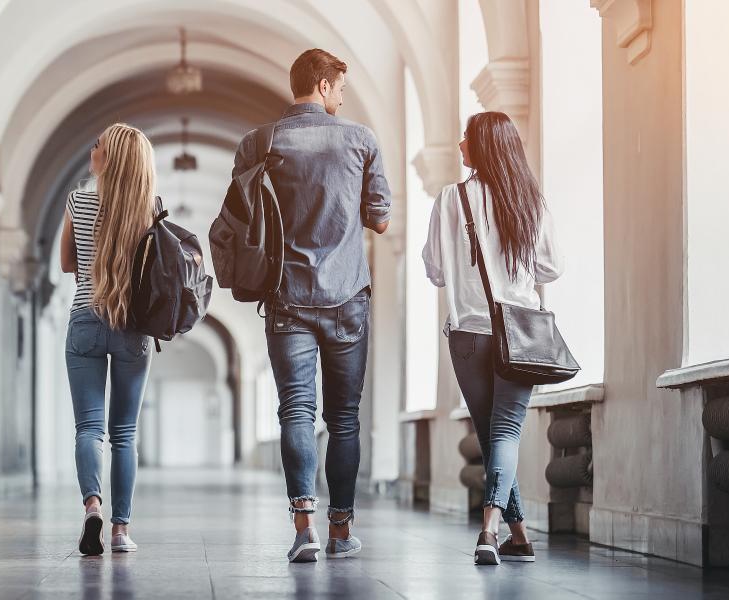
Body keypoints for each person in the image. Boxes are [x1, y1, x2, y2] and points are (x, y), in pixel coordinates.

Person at [232, 49, 391, 563]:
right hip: (347, 298)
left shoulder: (258, 143)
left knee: (295, 411)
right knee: (343, 419)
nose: (342, 97)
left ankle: (304, 529)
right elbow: (381, 219)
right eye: (340, 88)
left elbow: (241, 217)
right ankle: (342, 530)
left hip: (286, 298)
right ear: (323, 86)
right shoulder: (360, 139)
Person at [422, 111, 563, 566]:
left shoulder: (450, 199)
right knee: (501, 434)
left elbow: (436, 271)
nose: (460, 144)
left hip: (467, 335)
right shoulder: (530, 201)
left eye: (467, 137)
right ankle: (502, 532)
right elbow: (551, 268)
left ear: (484, 147)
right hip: (519, 333)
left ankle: (500, 532)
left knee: (491, 434)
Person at [59, 123, 157, 556]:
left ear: (109, 158)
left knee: (89, 428)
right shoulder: (149, 208)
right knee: (124, 434)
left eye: (97, 144)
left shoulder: (77, 200)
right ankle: (120, 531)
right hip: (133, 327)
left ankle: (92, 507)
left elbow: (66, 264)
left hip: (85, 319)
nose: (91, 147)